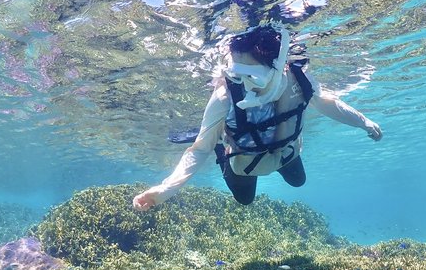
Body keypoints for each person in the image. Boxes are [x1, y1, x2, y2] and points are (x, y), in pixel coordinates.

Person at [133, 23, 382, 210]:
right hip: (244, 159)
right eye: (235, 73)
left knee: (299, 181)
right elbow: (199, 150)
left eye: (251, 75)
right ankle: (222, 144)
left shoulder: (298, 78)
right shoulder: (224, 96)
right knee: (245, 199)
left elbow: (326, 102)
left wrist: (364, 122)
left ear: (279, 66)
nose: (242, 82)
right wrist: (165, 190)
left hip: (284, 151)